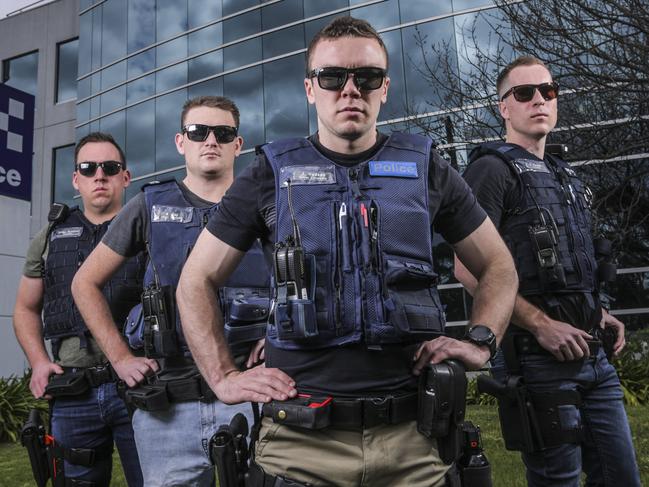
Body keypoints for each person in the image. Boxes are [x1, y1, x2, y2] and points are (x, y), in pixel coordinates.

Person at [176, 17, 517, 487]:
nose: (350, 90)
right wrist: (222, 377)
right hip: (300, 441)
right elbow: (196, 279)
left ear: (385, 88)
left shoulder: (427, 169)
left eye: (367, 77)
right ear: (311, 89)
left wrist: (481, 342)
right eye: (333, 77)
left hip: (414, 440)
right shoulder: (268, 174)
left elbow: (497, 263)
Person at [455, 56, 641, 486]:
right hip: (535, 359)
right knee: (557, 479)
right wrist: (540, 325)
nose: (538, 100)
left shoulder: (565, 176)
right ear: (504, 107)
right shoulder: (490, 170)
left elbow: (576, 264)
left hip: (594, 356)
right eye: (524, 93)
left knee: (622, 477)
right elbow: (467, 269)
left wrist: (601, 312)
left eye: (548, 91)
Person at [71, 96, 269, 487]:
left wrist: (275, 333)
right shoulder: (149, 205)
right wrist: (121, 358)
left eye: (223, 133)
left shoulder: (264, 205)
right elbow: (84, 283)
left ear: (237, 144)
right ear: (181, 142)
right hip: (169, 407)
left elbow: (298, 279)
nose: (210, 140)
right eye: (199, 132)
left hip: (252, 398)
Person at [13, 132, 144, 486]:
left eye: (109, 167)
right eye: (87, 168)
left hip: (138, 386)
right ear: (76, 180)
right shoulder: (50, 236)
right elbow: (25, 308)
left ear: (125, 177)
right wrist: (39, 362)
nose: (98, 176)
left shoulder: (147, 229)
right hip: (73, 390)